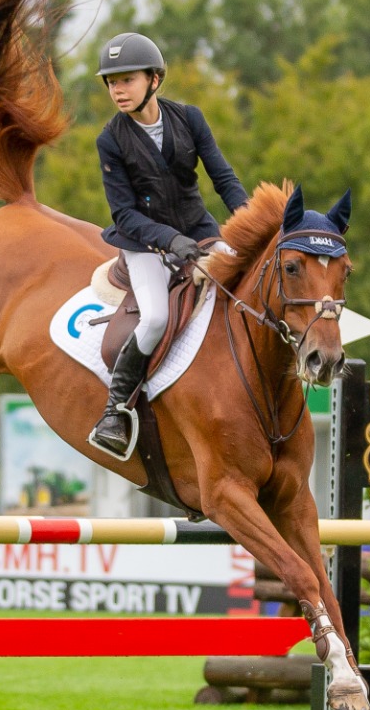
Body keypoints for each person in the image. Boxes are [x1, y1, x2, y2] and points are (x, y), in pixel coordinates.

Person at [88, 32, 249, 458]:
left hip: (198, 228)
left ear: (154, 79)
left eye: (126, 79)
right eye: (111, 82)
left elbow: (224, 179)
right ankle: (115, 411)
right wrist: (170, 241)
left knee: (250, 281)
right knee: (156, 317)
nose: (117, 90)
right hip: (143, 242)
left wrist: (254, 225)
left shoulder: (189, 118)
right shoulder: (111, 140)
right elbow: (124, 215)